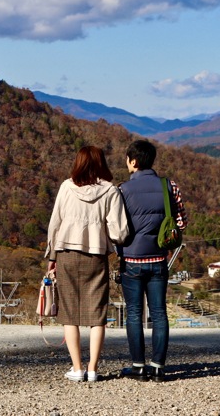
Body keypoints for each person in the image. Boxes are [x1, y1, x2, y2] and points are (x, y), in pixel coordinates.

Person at [45, 146, 130, 383]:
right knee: (96, 313)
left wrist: (51, 258)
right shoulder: (111, 190)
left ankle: (77, 367)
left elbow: (55, 224)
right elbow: (119, 231)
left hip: (66, 254)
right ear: (101, 163)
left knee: (69, 313)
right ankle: (93, 369)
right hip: (96, 255)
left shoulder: (66, 186)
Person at [116, 139, 188, 382]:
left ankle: (138, 367)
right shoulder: (169, 186)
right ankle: (158, 367)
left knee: (134, 313)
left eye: (127, 159)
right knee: (159, 313)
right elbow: (181, 223)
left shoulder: (122, 190)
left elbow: (117, 228)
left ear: (133, 161)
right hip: (159, 260)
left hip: (131, 260)